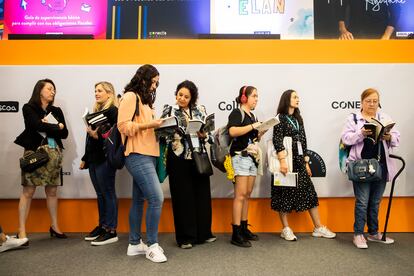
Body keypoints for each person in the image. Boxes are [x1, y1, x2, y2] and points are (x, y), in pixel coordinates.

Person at [271, 89, 336, 241]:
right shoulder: (279, 118)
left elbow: (303, 141)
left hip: (300, 162)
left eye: (298, 97)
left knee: (309, 193)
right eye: (294, 97)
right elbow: (277, 140)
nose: (298, 99)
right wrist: (282, 161)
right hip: (286, 163)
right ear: (287, 99)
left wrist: (306, 161)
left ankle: (318, 227)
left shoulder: (298, 118)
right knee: (284, 194)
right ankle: (286, 229)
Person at [117, 64, 167, 263]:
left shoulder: (146, 102)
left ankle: (134, 244)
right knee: (157, 198)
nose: (155, 86)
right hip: (137, 154)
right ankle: (152, 245)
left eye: (157, 83)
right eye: (153, 81)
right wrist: (150, 124)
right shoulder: (130, 96)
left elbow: (146, 130)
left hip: (150, 154)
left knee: (139, 200)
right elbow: (123, 126)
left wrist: (162, 128)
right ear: (143, 78)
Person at [341, 88, 400, 249]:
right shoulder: (353, 119)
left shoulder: (384, 117)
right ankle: (358, 234)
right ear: (362, 102)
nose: (372, 104)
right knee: (362, 202)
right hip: (361, 166)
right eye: (368, 101)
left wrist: (389, 137)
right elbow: (345, 139)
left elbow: (397, 137)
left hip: (381, 165)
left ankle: (373, 232)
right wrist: (361, 133)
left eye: (375, 101)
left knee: (375, 202)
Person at [160, 80, 215, 249]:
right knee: (183, 198)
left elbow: (210, 136)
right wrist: (172, 131)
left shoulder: (200, 110)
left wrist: (203, 134)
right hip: (178, 157)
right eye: (180, 95)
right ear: (176, 94)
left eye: (186, 96)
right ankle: (185, 237)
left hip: (198, 156)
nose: (182, 98)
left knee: (202, 195)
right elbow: (160, 134)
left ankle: (204, 233)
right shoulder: (169, 110)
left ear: (192, 98)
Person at [14, 78, 69, 241]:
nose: (53, 92)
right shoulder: (29, 107)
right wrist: (55, 126)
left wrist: (48, 125)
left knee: (52, 191)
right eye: (49, 89)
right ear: (40, 91)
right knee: (28, 191)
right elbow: (35, 126)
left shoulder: (57, 110)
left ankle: (55, 226)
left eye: (54, 90)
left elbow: (64, 133)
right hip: (34, 153)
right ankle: (21, 229)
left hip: (53, 153)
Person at [80, 82, 119, 245]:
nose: (96, 93)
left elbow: (115, 136)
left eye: (100, 91)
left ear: (110, 93)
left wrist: (98, 136)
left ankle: (111, 230)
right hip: (93, 158)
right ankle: (103, 226)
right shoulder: (96, 111)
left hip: (105, 158)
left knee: (108, 192)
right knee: (101, 194)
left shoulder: (113, 111)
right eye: (95, 90)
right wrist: (84, 158)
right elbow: (90, 138)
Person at [227, 85, 262, 247]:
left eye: (257, 96)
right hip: (240, 157)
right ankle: (236, 233)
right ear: (244, 98)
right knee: (240, 195)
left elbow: (252, 138)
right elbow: (232, 131)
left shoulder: (252, 116)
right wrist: (253, 126)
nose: (256, 99)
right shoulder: (237, 113)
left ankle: (243, 227)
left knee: (247, 194)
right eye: (254, 95)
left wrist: (260, 130)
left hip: (252, 157)